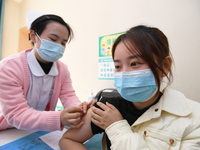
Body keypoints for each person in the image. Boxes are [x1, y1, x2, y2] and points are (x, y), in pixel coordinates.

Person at [59, 25, 200, 150]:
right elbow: (67, 139)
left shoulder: (194, 119)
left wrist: (116, 127)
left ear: (164, 67)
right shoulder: (107, 107)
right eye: (118, 66)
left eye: (134, 63)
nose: (124, 74)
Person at [0, 10, 94, 131]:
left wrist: (79, 108)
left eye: (63, 43)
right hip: (7, 128)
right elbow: (17, 114)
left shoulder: (62, 69)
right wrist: (59, 117)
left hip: (39, 127)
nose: (59, 46)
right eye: (53, 39)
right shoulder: (9, 67)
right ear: (33, 36)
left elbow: (68, 95)